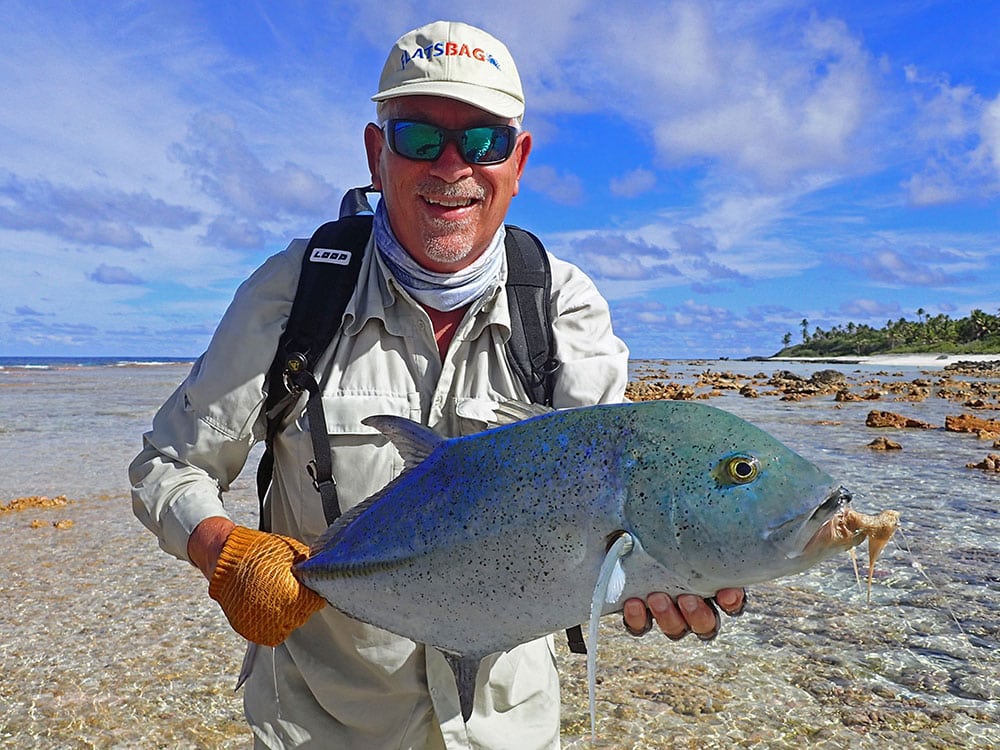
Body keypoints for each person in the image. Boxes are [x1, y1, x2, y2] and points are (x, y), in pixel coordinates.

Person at [130, 20, 745, 750]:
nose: (451, 166)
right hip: (326, 724)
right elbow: (169, 464)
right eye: (420, 137)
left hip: (509, 727)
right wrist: (222, 550)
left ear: (516, 162)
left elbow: (616, 493)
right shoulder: (294, 293)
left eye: (482, 141)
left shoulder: (561, 305)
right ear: (375, 153)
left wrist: (681, 565)